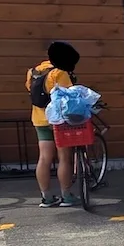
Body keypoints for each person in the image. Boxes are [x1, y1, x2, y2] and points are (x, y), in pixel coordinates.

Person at [26, 41, 81, 207]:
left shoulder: (33, 72)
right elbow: (69, 95)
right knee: (64, 157)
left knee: (44, 158)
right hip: (58, 120)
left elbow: (30, 90)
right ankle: (66, 195)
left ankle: (46, 197)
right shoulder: (59, 73)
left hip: (39, 119)